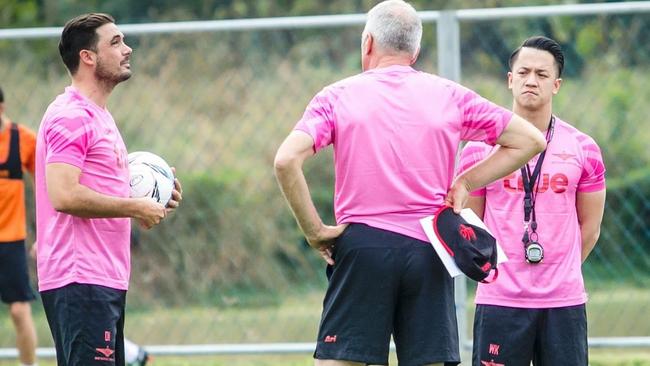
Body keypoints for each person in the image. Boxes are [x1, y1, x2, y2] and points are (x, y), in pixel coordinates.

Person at [273, 1, 546, 365]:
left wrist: (315, 230)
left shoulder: (336, 96)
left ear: (367, 43)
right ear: (415, 50)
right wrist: (465, 183)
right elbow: (531, 140)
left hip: (363, 247)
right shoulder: (450, 95)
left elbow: (285, 160)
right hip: (429, 249)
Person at [35, 13, 182, 366]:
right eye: (115, 42)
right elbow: (64, 195)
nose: (127, 49)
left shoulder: (100, 116)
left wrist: (155, 197)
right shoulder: (70, 115)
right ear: (88, 57)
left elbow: (103, 187)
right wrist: (134, 206)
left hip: (104, 277)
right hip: (79, 276)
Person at [458, 36, 606, 366]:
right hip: (499, 300)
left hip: (563, 302)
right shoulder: (479, 151)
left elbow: (590, 228)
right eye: (523, 72)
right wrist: (502, 276)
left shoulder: (584, 148)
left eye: (541, 74)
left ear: (556, 85)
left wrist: (559, 272)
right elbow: (471, 227)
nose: (531, 80)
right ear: (510, 80)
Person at [0, 86, 38, 366]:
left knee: (18, 311)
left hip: (11, 240)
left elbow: (48, 188)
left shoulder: (22, 139)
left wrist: (45, 234)